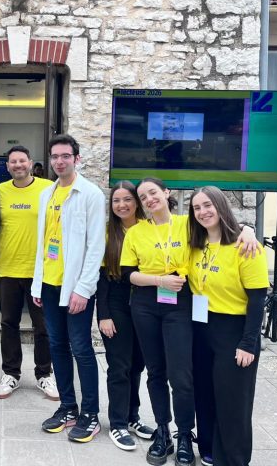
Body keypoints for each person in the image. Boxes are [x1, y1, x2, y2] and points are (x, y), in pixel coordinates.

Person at [121, 177, 257, 466]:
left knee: (181, 375)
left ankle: (184, 433)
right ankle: (163, 432)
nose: (149, 199)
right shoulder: (136, 232)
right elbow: (127, 274)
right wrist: (160, 280)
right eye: (143, 197)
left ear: (166, 192)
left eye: (153, 192)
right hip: (146, 303)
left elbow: (221, 226)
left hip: (180, 304)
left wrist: (249, 230)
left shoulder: (188, 224)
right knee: (156, 372)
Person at [31, 134, 106, 443]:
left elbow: (96, 246)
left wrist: (84, 289)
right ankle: (68, 407)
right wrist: (37, 283)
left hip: (75, 287)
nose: (59, 161)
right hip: (50, 284)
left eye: (65, 156)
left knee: (81, 348)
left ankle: (91, 414)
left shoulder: (91, 194)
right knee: (57, 345)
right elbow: (43, 243)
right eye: (55, 156)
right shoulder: (46, 194)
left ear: (77, 158)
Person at [188, 187, 268, 466]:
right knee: (205, 393)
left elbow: (257, 299)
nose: (203, 212)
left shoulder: (246, 247)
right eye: (197, 208)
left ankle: (234, 459)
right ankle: (209, 449)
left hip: (234, 330)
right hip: (201, 327)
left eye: (208, 205)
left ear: (221, 205)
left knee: (233, 400)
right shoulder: (196, 244)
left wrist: (248, 343)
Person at [0, 145, 58, 401]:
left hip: (40, 271)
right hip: (8, 268)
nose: (18, 165)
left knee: (43, 325)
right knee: (9, 323)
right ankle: (11, 374)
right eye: (13, 162)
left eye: (22, 161)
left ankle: (44, 374)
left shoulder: (48, 188)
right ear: (7, 166)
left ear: (30, 163)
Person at [96, 181, 155, 450]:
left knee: (138, 364)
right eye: (116, 200)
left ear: (137, 202)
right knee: (119, 365)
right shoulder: (108, 233)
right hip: (117, 302)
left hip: (144, 303)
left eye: (127, 199)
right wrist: (103, 314)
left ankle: (132, 417)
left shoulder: (149, 228)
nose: (122, 205)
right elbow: (102, 278)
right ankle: (118, 423)